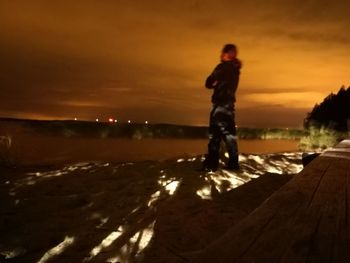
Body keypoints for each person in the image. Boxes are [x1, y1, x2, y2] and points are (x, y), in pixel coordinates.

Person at [202, 44, 241, 171]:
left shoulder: (222, 67)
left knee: (215, 136)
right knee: (229, 136)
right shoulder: (235, 69)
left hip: (219, 104)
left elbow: (208, 82)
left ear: (226, 54)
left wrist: (215, 82)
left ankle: (211, 164)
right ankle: (233, 164)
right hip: (229, 106)